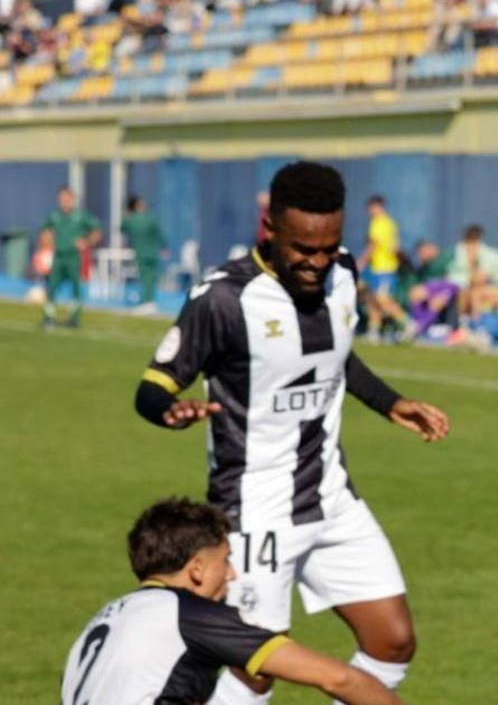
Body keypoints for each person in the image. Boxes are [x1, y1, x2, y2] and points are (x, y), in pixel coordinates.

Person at [132, 161, 451, 704]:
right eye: (304, 249)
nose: (317, 262)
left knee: (392, 641)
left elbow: (334, 357)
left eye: (329, 247)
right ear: (270, 229)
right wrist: (170, 410)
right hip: (254, 506)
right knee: (255, 668)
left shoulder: (345, 274)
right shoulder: (224, 299)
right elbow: (152, 388)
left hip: (331, 496)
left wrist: (390, 402)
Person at [60, 498, 403, 705]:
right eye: (225, 560)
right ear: (197, 569)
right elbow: (341, 679)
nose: (233, 574)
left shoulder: (107, 617)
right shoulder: (188, 614)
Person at [41, 185, 102, 329]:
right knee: (51, 286)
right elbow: (45, 231)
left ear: (72, 199)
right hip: (58, 256)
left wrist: (86, 242)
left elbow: (97, 231)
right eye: (61, 198)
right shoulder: (54, 216)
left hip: (74, 257)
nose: (64, 201)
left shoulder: (81, 216)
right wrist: (48, 241)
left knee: (76, 288)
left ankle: (74, 318)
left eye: (67, 198)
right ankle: (48, 316)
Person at [359, 195, 412, 341]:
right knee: (374, 301)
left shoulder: (379, 223)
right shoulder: (390, 223)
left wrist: (361, 262)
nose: (370, 211)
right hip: (378, 268)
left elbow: (373, 245)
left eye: (372, 208)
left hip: (385, 268)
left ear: (378, 207)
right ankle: (373, 331)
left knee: (383, 300)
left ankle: (409, 324)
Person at [124, 195, 168, 313]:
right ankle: (150, 301)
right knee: (151, 277)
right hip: (152, 252)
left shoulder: (131, 219)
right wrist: (164, 247)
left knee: (145, 277)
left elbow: (122, 228)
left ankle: (148, 302)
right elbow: (159, 233)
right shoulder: (150, 218)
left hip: (141, 253)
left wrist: (127, 214)